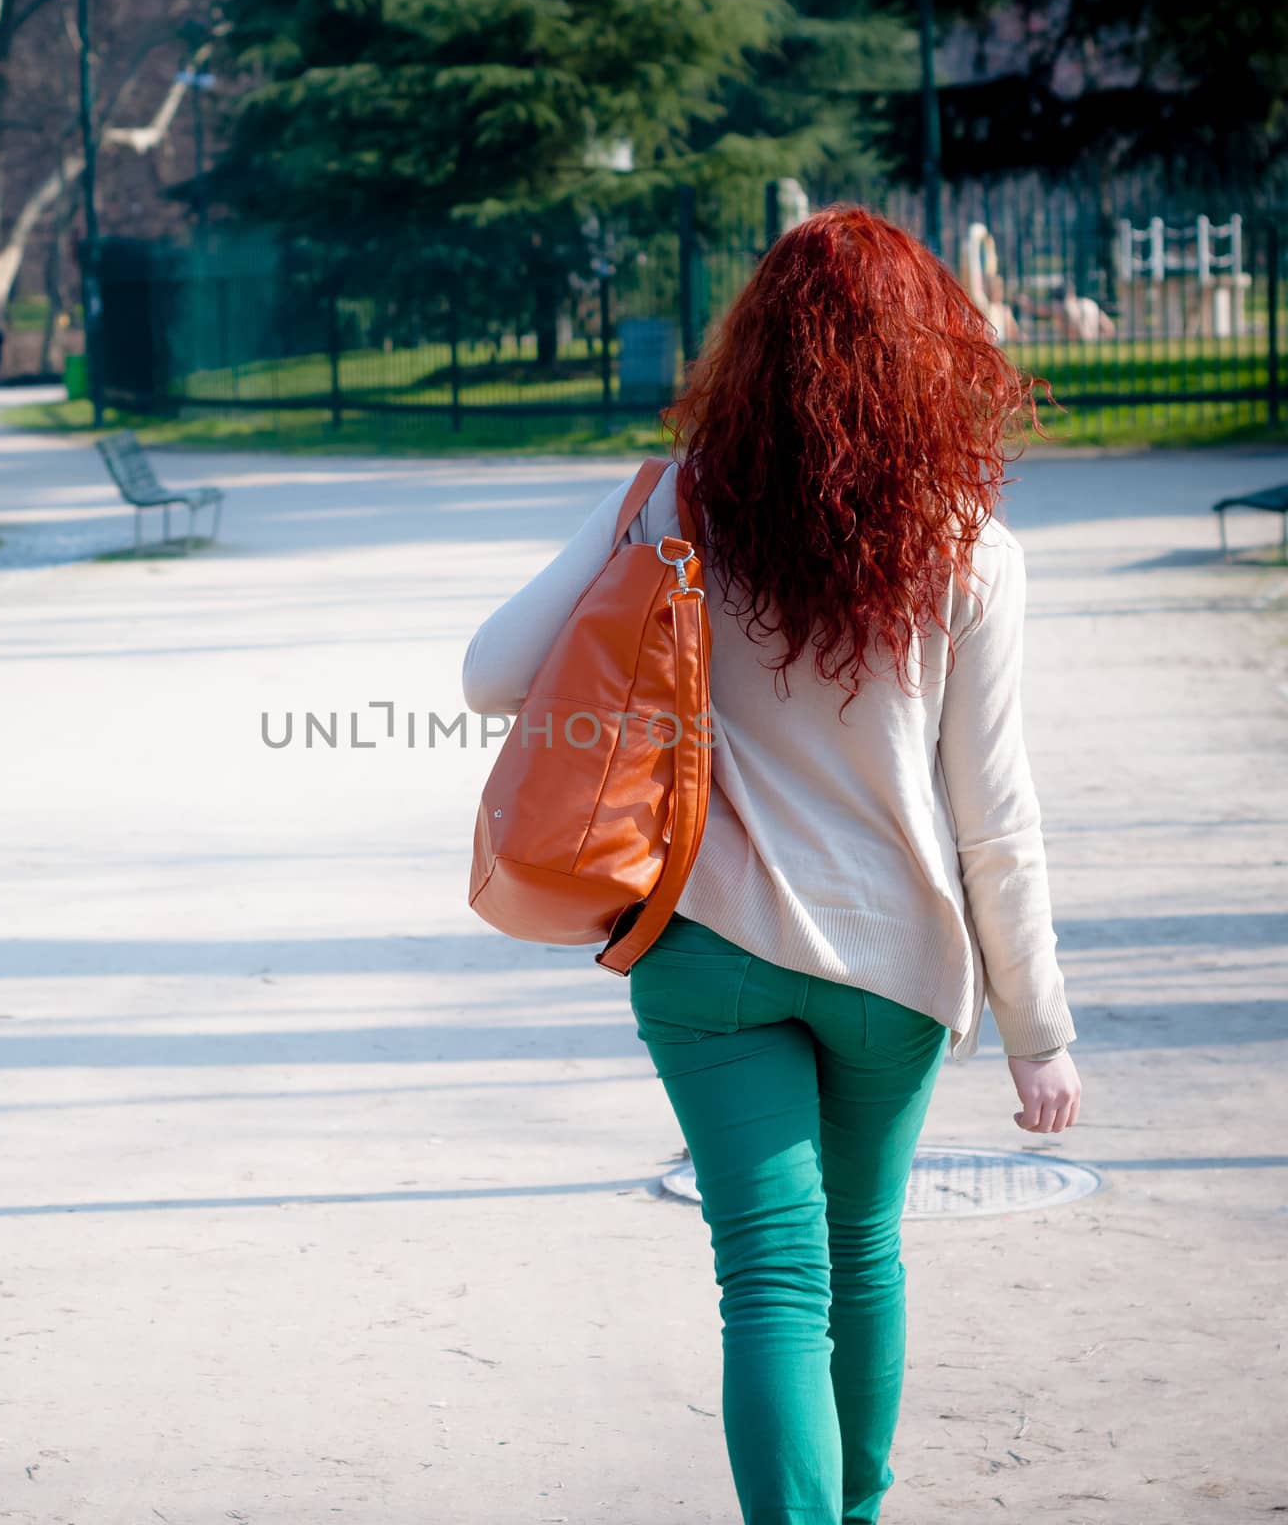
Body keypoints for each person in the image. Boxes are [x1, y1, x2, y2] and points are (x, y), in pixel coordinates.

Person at [460, 205, 1082, 1525]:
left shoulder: (676, 496)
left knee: (771, 1274)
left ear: (756, 347)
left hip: (706, 953)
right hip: (892, 966)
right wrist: (1040, 1032)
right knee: (861, 1250)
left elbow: (489, 678)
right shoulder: (975, 547)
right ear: (933, 353)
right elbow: (996, 817)